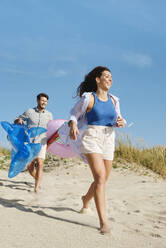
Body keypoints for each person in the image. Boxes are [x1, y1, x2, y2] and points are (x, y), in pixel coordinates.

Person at [59, 66, 126, 234]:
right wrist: (73, 124)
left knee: (102, 179)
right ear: (98, 79)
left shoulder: (114, 100)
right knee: (100, 177)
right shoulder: (89, 98)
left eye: (111, 77)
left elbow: (118, 118)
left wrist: (120, 122)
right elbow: (73, 114)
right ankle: (104, 222)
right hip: (92, 137)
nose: (110, 79)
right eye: (106, 76)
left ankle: (85, 199)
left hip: (109, 139)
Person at [14, 93, 53, 193]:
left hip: (42, 142)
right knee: (30, 167)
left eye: (46, 101)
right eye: (42, 100)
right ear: (37, 101)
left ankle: (36, 188)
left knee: (40, 163)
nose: (44, 102)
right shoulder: (29, 112)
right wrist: (19, 120)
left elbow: (52, 128)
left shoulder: (49, 115)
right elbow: (18, 119)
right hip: (30, 143)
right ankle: (38, 179)